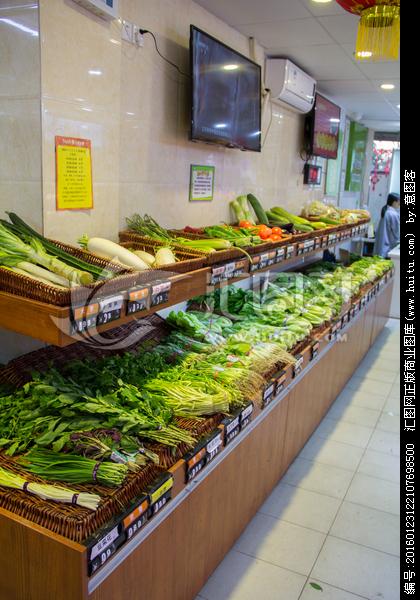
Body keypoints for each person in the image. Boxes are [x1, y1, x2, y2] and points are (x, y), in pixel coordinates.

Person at [374, 192, 400, 258]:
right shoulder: (393, 214)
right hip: (387, 250)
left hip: (380, 248)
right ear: (394, 202)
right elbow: (397, 234)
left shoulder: (386, 211)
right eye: (399, 202)